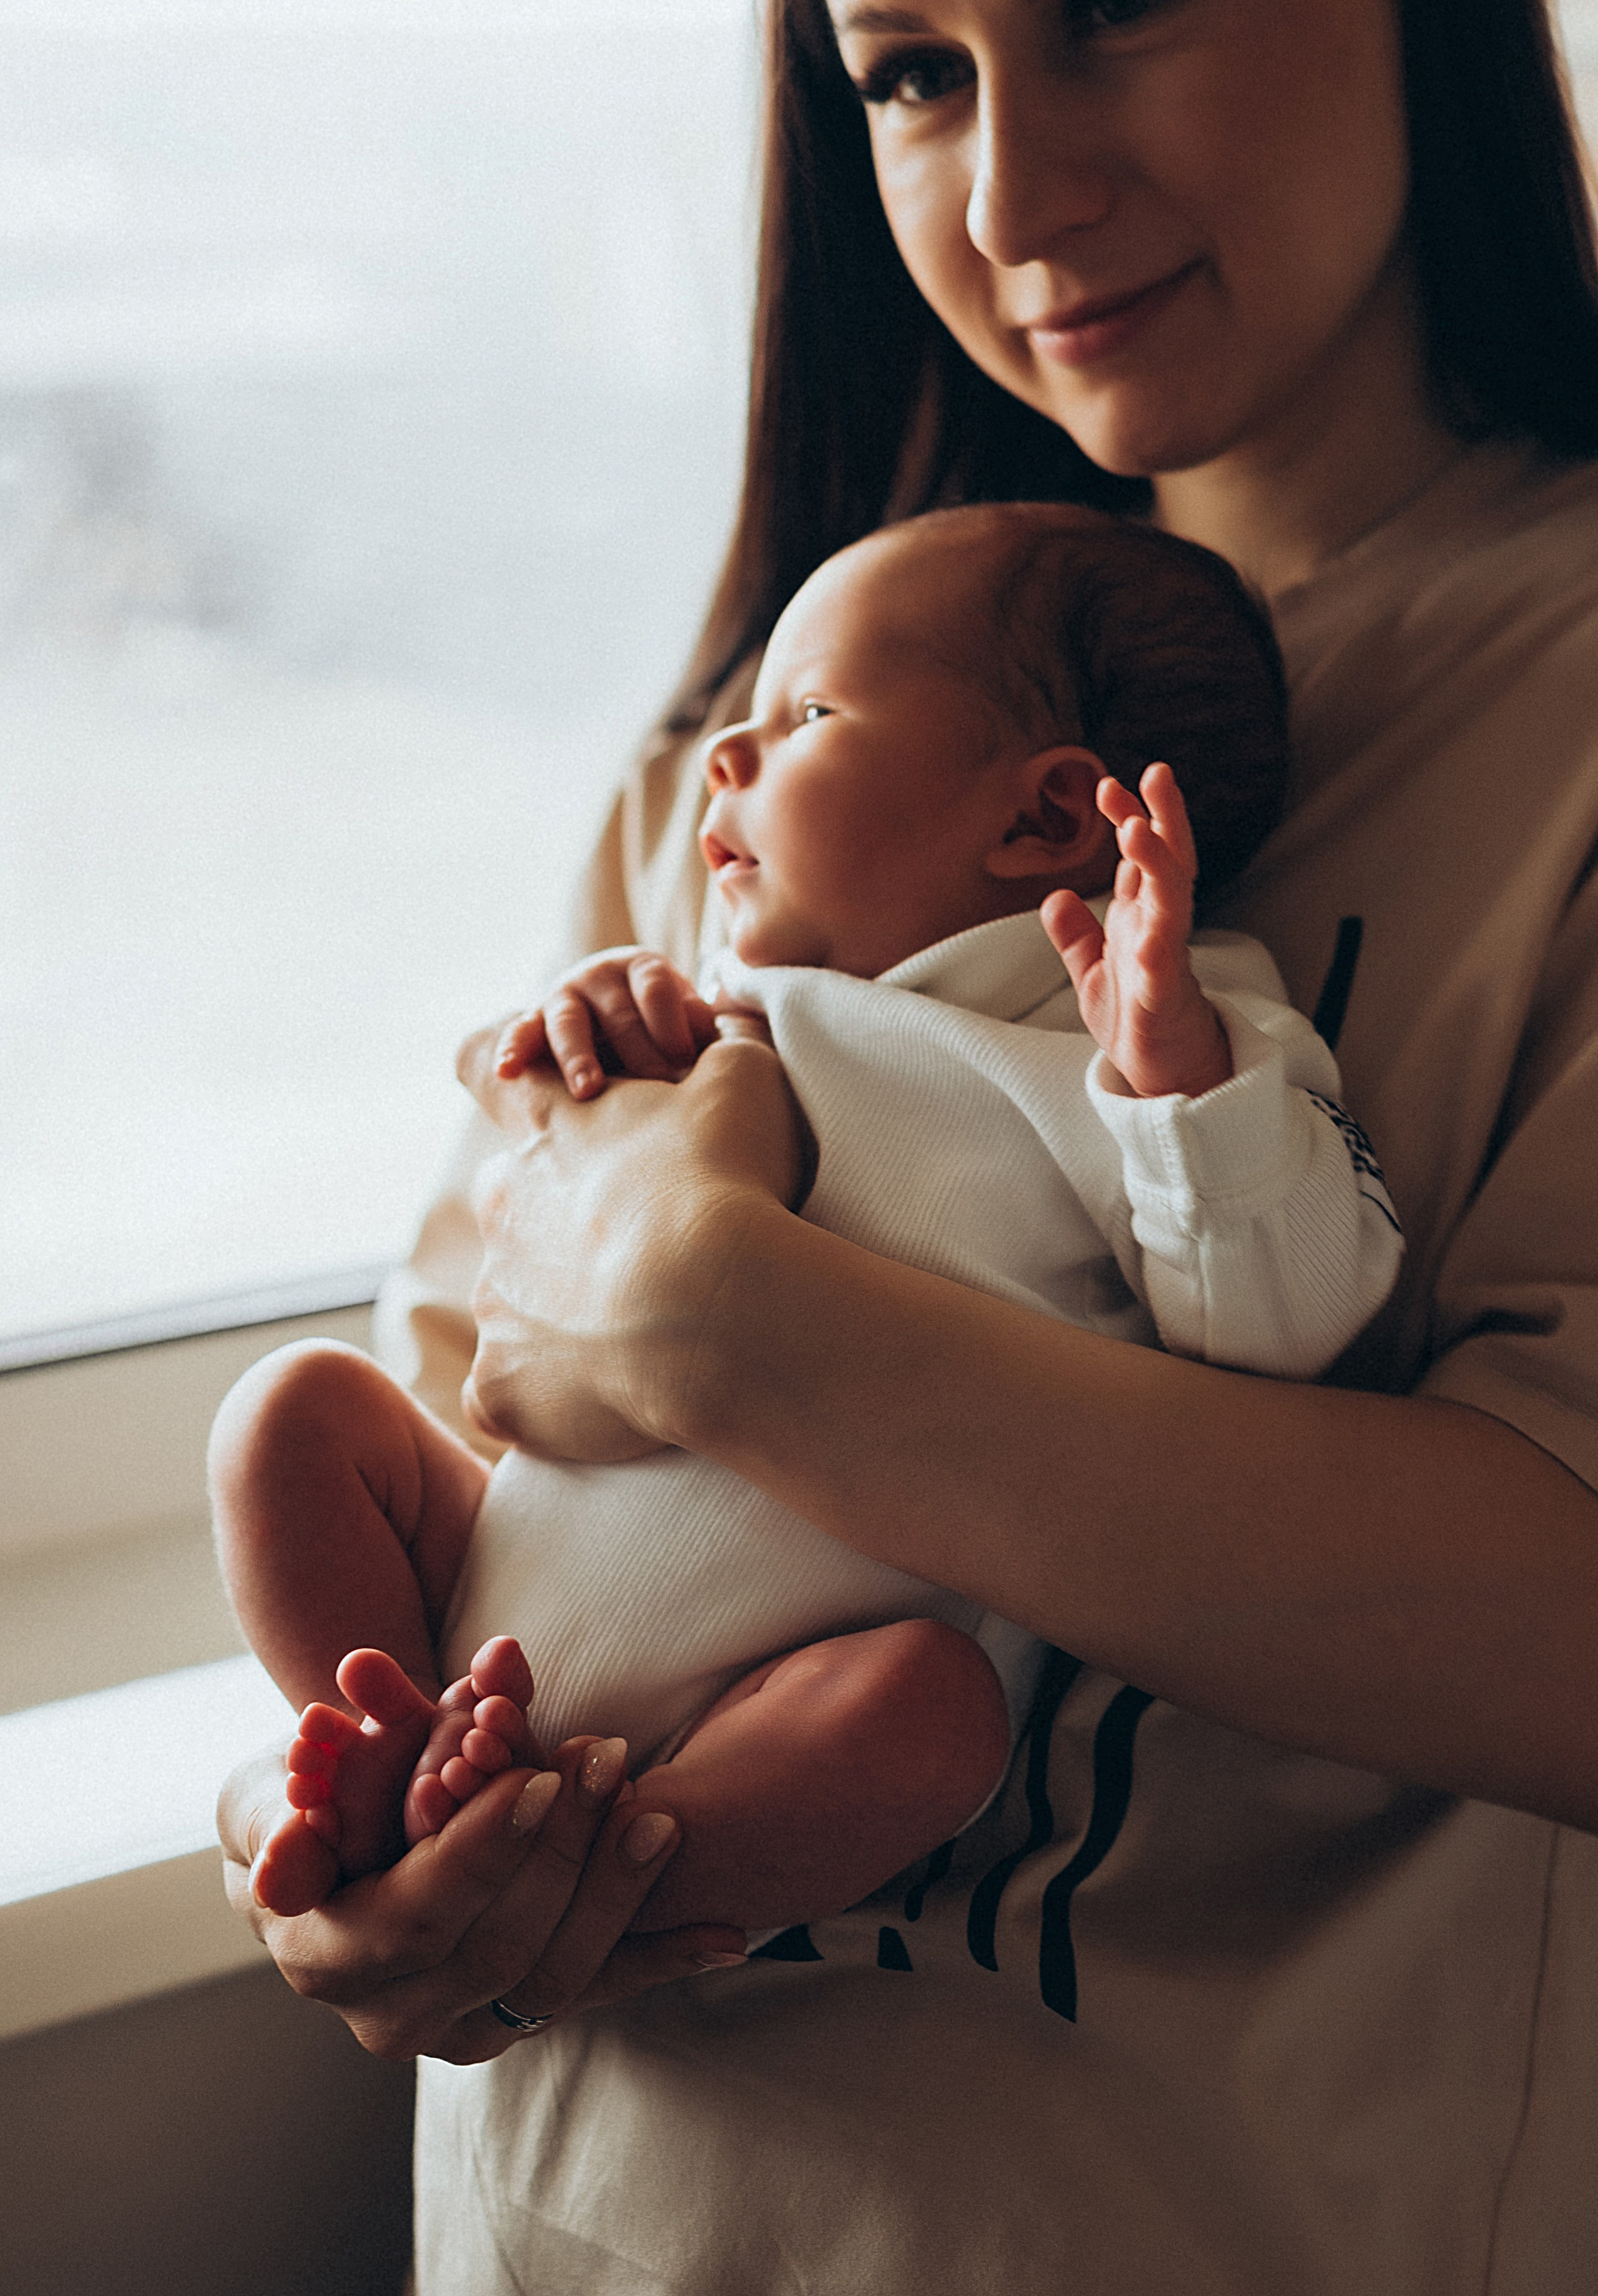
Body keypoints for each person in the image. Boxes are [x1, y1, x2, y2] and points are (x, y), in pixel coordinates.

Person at [217, 0, 1598, 2289]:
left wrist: (708, 1306)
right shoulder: (762, 763)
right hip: (571, 2220)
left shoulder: (1552, 711)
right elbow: (472, 1487)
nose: (1008, 197)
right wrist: (327, 1839)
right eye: (905, 76)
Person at [210, 499, 1400, 1936]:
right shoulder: (724, 1002)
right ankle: (384, 1732)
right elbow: (521, 1251)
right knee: (291, 1413)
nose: (729, 753)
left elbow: (1286, 1324)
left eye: (807, 712)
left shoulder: (1142, 1033)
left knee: (930, 1717)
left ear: (1036, 816)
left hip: (775, 1696)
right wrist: (584, 1032)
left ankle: (585, 1879)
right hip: (484, 1588)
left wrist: (1176, 1087)